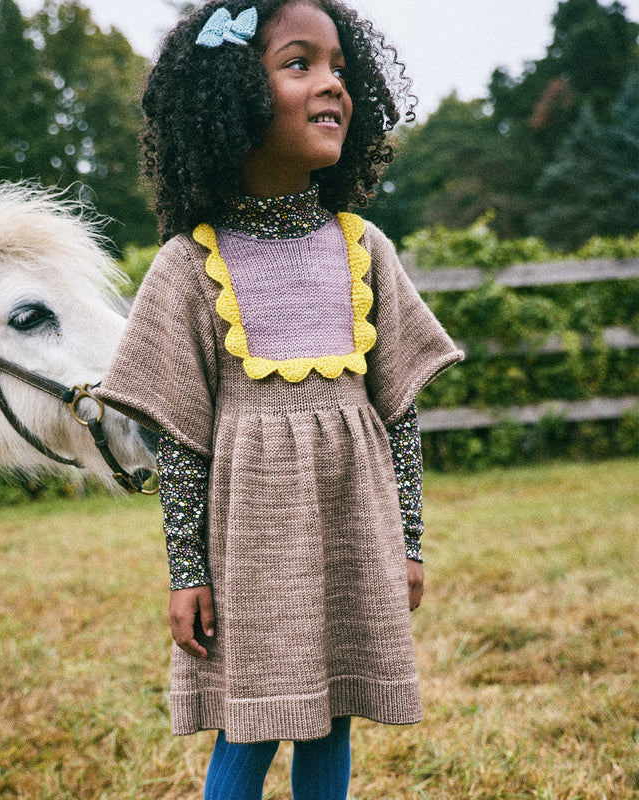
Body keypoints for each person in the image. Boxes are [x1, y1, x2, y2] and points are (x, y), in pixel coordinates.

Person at [95, 1, 463, 797]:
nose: (331, 84)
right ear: (233, 96)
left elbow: (399, 412)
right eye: (300, 64)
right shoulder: (190, 268)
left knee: (333, 711)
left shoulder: (364, 250)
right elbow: (182, 442)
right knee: (251, 724)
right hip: (252, 559)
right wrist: (185, 570)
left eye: (338, 67)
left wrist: (409, 541)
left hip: (349, 535)